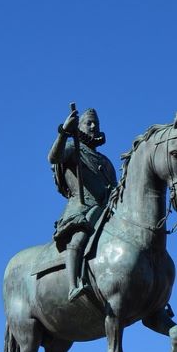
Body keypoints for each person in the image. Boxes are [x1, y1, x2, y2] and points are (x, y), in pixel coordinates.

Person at [49, 105, 117, 301]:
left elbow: (113, 186)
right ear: (79, 126)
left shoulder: (106, 161)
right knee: (79, 238)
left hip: (106, 210)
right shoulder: (72, 148)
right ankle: (73, 285)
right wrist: (64, 132)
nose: (94, 126)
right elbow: (53, 157)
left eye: (96, 123)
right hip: (82, 208)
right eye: (89, 123)